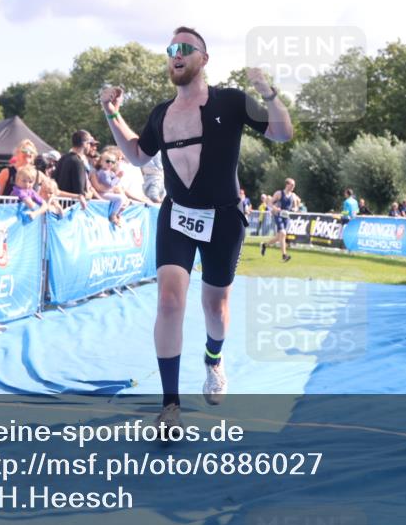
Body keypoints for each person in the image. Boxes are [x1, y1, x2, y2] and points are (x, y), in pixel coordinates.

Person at [98, 26, 293, 432]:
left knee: (215, 308)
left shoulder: (232, 101)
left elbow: (281, 133)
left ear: (204, 59)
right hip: (178, 215)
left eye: (186, 48)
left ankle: (213, 358)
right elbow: (136, 154)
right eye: (171, 49)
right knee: (169, 301)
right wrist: (111, 113)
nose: (176, 54)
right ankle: (170, 404)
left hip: (223, 217)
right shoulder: (160, 113)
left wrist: (267, 91)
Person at [261, 178, 300, 262]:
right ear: (287, 185)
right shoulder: (279, 193)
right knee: (283, 233)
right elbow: (270, 203)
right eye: (292, 185)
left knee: (279, 237)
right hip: (278, 215)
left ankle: (265, 245)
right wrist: (275, 208)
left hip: (287, 217)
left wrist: (294, 209)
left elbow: (296, 206)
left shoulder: (293, 195)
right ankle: (284, 255)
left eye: (294, 185)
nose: (293, 187)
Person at [56, 130, 96, 203]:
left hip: (59, 205)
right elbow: (80, 193)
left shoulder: (62, 158)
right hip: (71, 208)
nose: (90, 146)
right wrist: (91, 194)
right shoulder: (78, 162)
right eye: (89, 144)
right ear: (85, 144)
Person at [92, 150, 126, 226]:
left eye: (112, 162)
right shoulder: (103, 172)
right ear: (101, 162)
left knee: (123, 199)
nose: (110, 163)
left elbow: (115, 183)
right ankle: (113, 215)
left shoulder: (109, 172)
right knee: (120, 198)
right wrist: (118, 177)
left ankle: (117, 214)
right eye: (107, 161)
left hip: (107, 192)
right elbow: (110, 184)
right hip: (102, 194)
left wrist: (117, 176)